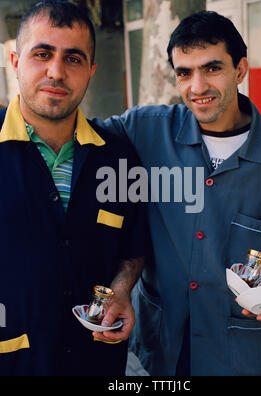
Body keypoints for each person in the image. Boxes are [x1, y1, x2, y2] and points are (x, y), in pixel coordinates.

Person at [93, 11, 261, 376]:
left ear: (240, 70)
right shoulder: (145, 129)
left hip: (242, 352)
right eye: (184, 72)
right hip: (162, 349)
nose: (197, 86)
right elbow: (78, 137)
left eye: (212, 68)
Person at [0, 1, 146, 376]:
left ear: (91, 71)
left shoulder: (119, 156)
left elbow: (132, 246)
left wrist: (122, 288)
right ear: (15, 62)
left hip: (97, 363)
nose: (56, 72)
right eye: (42, 54)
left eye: (74, 59)